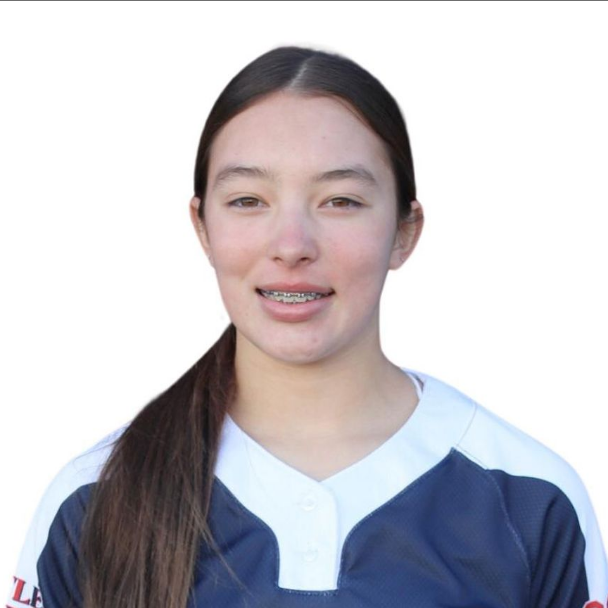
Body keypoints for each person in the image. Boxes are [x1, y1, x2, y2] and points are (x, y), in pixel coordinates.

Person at [6, 44, 608, 608]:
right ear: (202, 227)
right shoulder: (95, 497)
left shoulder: (530, 500)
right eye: (248, 200)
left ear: (405, 231)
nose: (291, 245)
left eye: (340, 200)